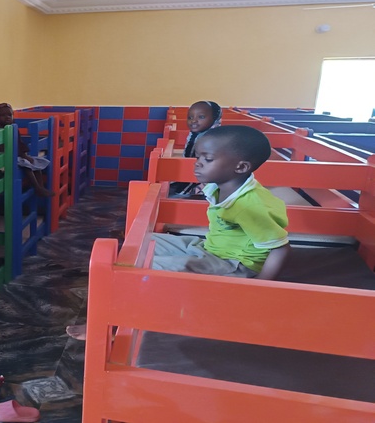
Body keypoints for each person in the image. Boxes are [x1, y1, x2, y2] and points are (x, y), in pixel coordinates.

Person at [67, 125, 291, 341]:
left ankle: (111, 324)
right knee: (140, 243)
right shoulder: (220, 185)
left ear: (240, 167)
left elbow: (280, 247)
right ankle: (117, 295)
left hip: (235, 263)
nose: (198, 164)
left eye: (208, 159)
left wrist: (260, 286)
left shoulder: (249, 206)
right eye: (198, 157)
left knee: (148, 267)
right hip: (212, 248)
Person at [0, 103, 54, 198]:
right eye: (2, 115)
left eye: (9, 115)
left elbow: (18, 144)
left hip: (14, 155)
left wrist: (24, 155)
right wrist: (19, 157)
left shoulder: (13, 127)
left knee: (35, 163)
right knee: (26, 165)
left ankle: (41, 187)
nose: (7, 117)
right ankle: (37, 188)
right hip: (1, 159)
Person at [169, 100, 222, 196]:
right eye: (190, 117)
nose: (193, 120)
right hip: (191, 174)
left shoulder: (213, 140)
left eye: (201, 117)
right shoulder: (195, 135)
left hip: (205, 182)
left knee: (174, 195)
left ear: (215, 119)